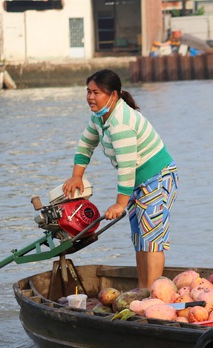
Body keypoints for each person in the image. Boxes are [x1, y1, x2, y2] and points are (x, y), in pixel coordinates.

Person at [62, 69, 179, 290]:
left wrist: (120, 204)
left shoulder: (121, 123)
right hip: (136, 182)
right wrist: (77, 176)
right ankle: (144, 290)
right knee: (140, 238)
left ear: (113, 95)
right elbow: (86, 143)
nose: (90, 97)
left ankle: (152, 296)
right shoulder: (99, 117)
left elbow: (127, 166)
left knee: (152, 240)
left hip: (158, 177)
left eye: (96, 92)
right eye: (88, 92)